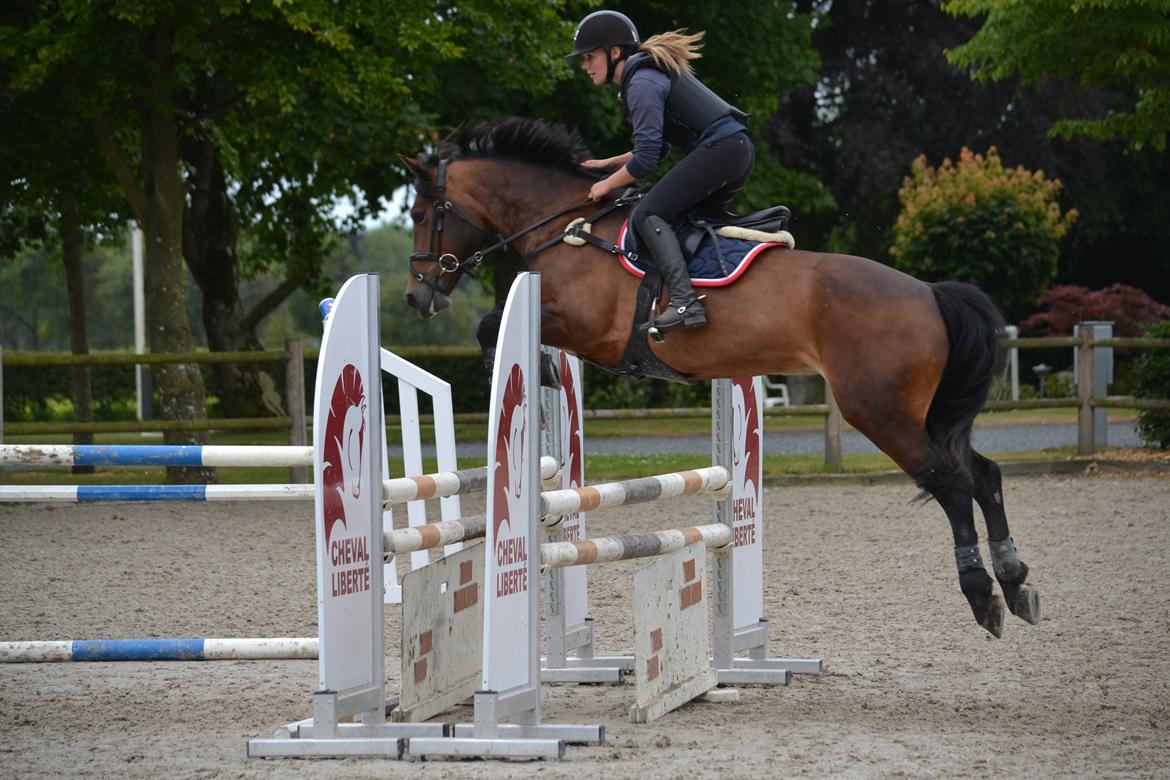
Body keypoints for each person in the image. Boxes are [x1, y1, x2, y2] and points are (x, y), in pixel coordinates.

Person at [568, 10, 754, 333]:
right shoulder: (644, 76)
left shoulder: (641, 82)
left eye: (590, 56)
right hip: (734, 151)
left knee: (646, 214)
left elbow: (647, 161)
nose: (585, 66)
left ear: (615, 52)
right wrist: (609, 164)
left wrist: (604, 186)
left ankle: (684, 301)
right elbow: (659, 147)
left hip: (722, 151)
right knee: (680, 219)